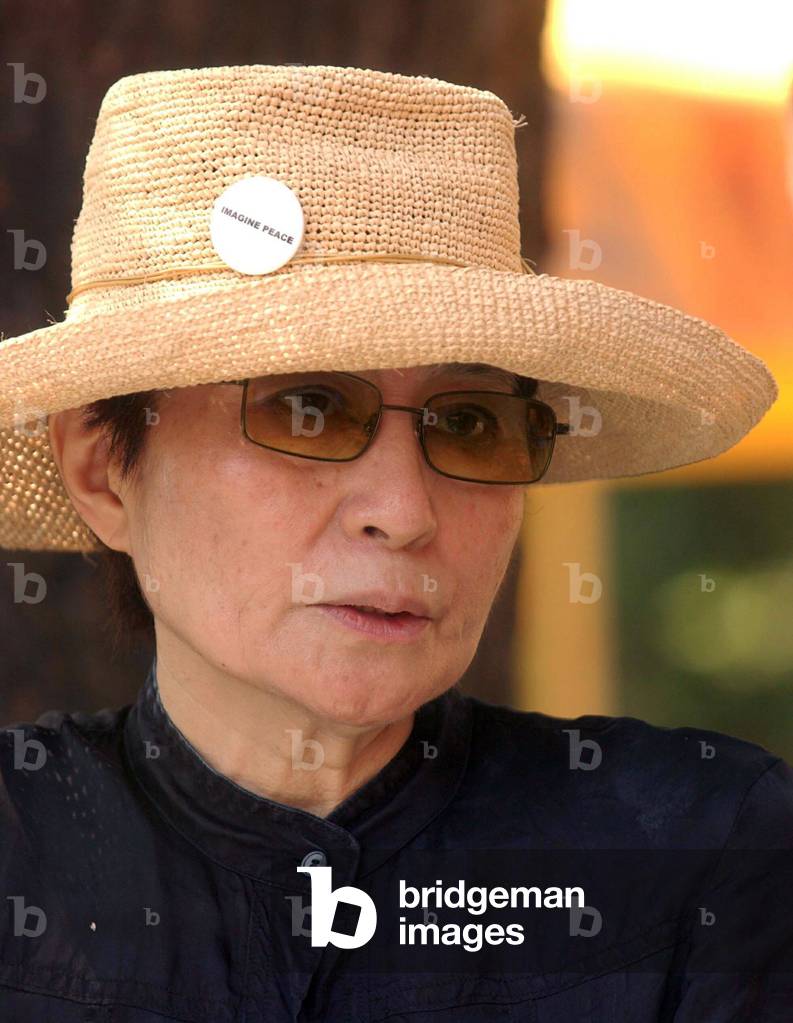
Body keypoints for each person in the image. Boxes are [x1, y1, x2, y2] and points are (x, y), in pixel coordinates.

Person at [0, 63, 790, 1022]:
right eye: (306, 407)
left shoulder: (698, 850)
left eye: (467, 423)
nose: (404, 509)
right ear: (102, 468)